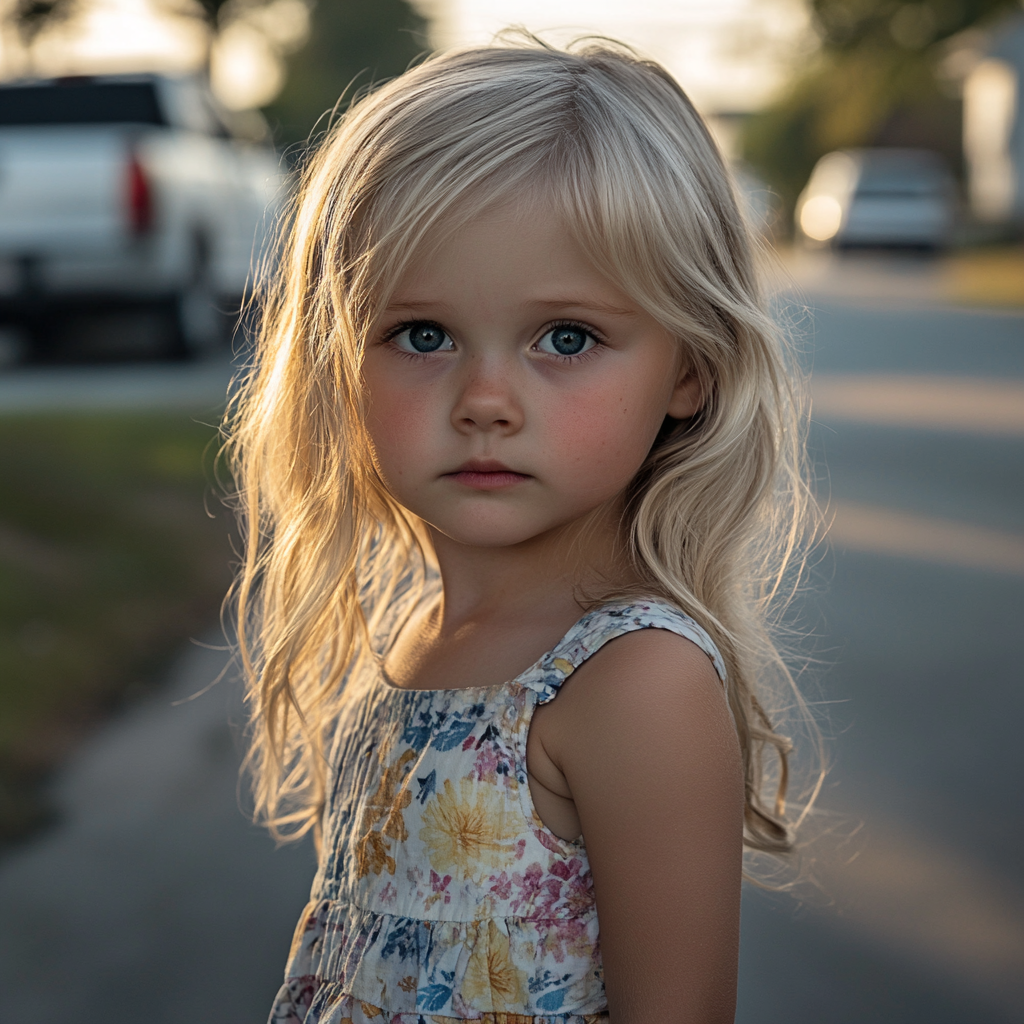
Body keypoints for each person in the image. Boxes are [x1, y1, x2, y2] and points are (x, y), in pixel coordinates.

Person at [226, 35, 815, 1024]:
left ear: (690, 366)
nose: (485, 400)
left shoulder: (631, 682)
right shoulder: (417, 637)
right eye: (423, 335)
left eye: (567, 338)